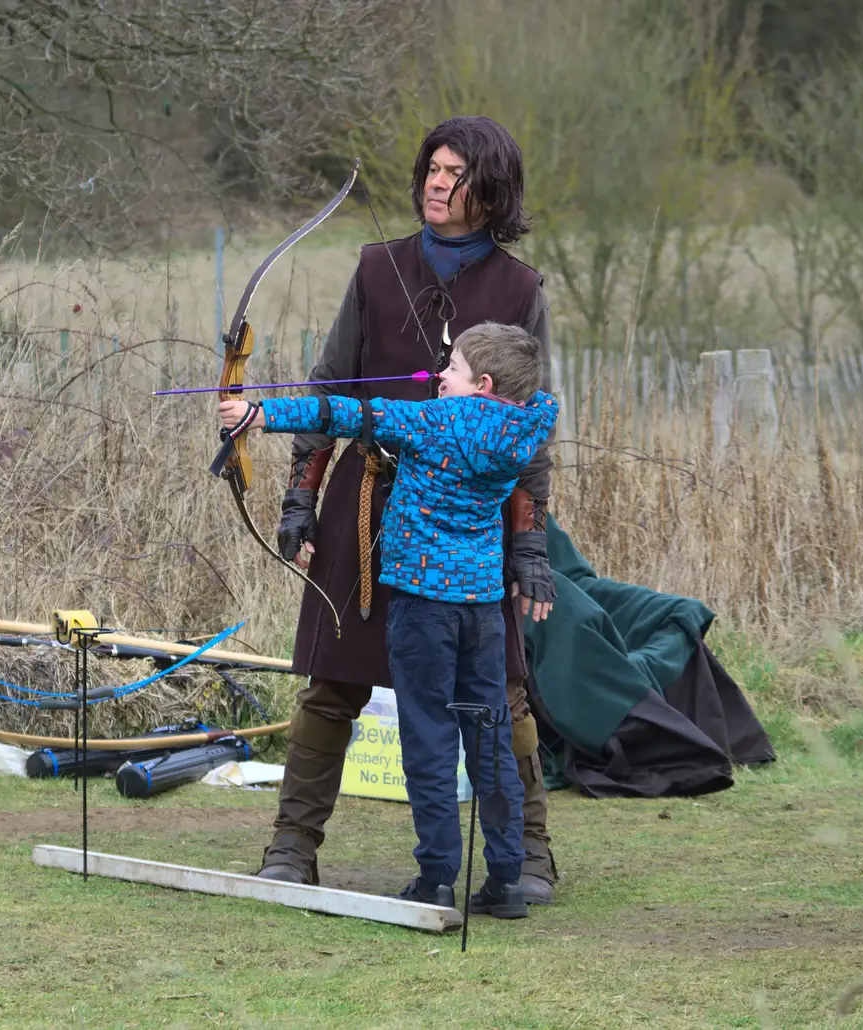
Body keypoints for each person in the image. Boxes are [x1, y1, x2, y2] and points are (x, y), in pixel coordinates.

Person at [251, 115, 562, 903]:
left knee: (502, 692)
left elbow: (525, 433)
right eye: (432, 166)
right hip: (365, 499)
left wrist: (528, 548)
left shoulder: (521, 290)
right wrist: (299, 497)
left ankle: (525, 857)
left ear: (488, 193)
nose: (435, 180)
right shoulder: (377, 267)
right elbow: (332, 393)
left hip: (467, 516)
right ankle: (293, 847)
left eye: (455, 173)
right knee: (333, 678)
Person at [220, 322, 557, 914]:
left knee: (428, 739)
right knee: (490, 737)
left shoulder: (431, 422)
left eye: (449, 369)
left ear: (481, 383)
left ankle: (437, 879)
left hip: (422, 611)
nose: (437, 376)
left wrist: (257, 416)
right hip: (482, 610)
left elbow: (348, 416)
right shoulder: (525, 429)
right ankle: (506, 879)